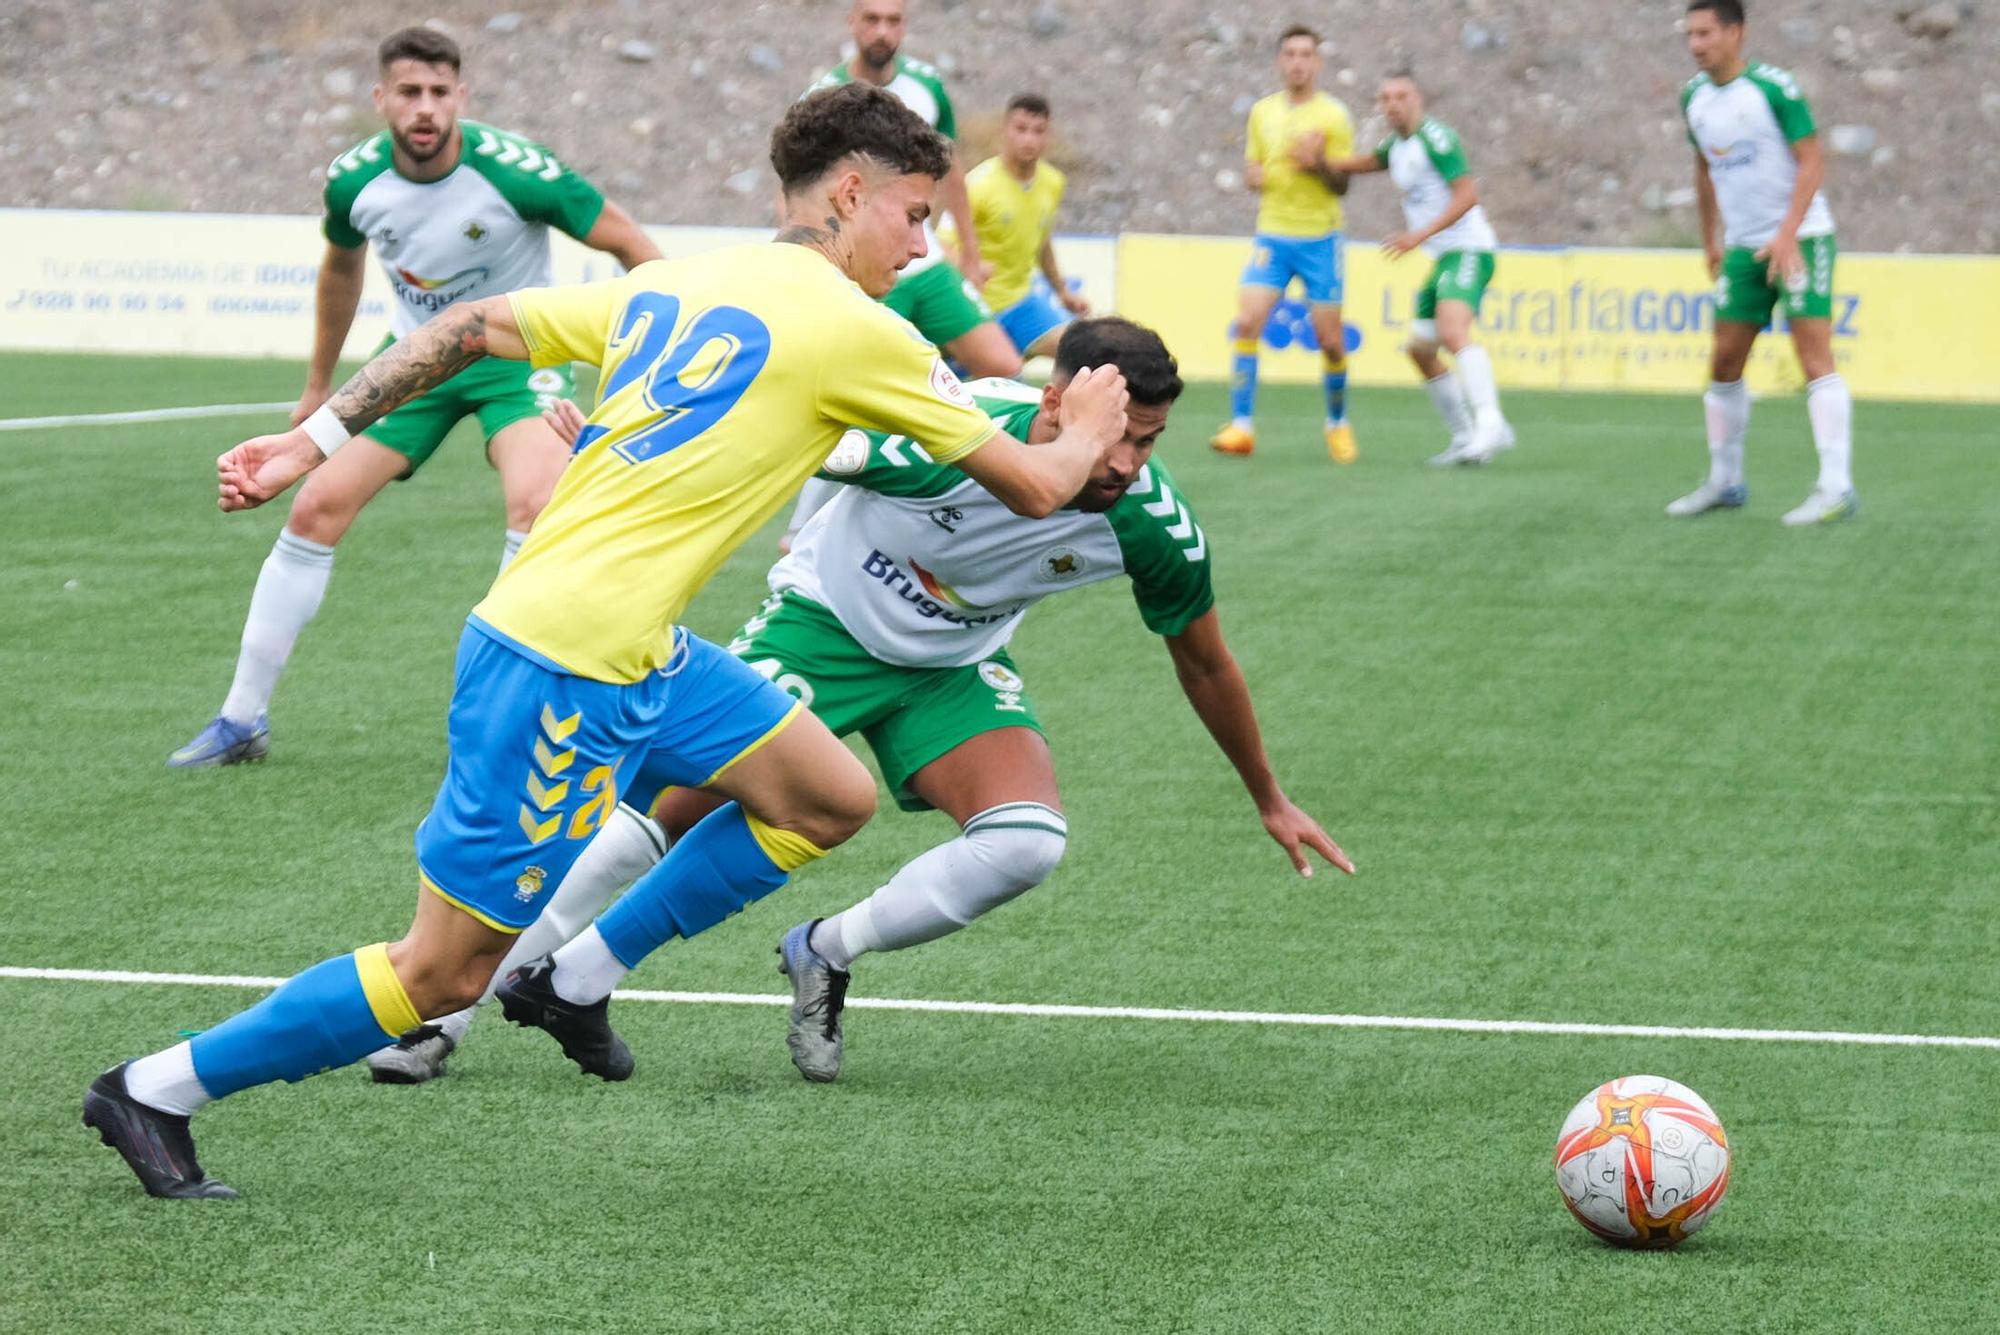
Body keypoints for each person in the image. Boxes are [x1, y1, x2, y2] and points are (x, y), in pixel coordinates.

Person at [82, 82, 1130, 1199]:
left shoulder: (672, 283)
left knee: (827, 796)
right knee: (440, 972)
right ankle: (157, 1088)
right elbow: (1033, 486)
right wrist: (1093, 430)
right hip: (559, 660)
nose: (923, 246)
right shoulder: (856, 329)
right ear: (853, 190)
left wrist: (315, 437)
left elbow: (468, 323)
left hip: (632, 644)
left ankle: (575, 976)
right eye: (915, 215)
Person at [365, 318, 1352, 1087]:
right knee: (660, 813)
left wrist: (1267, 795)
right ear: (1054, 408)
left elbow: (1205, 664)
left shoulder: (1148, 524)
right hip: (825, 625)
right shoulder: (945, 430)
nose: (1130, 463)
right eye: (1118, 439)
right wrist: (619, 448)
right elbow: (775, 434)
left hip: (947, 667)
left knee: (1026, 842)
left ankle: (814, 954)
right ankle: (443, 1014)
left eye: (1149, 441)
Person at [169, 26, 660, 767]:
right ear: (382, 99)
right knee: (312, 504)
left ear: (461, 97)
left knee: (536, 504)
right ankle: (241, 721)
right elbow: (341, 270)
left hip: (518, 358)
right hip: (412, 362)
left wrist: (635, 377)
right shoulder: (353, 182)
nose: (424, 108)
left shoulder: (520, 173)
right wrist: (316, 386)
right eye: (408, 93)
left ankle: (508, 721)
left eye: (438, 93)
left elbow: (636, 249)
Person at [1668, 0, 1856, 525]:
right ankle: (1725, 481)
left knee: (1814, 357)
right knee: (1724, 363)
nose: (1695, 44)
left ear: (1736, 33)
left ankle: (1836, 486)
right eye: (1690, 34)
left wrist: (1787, 234)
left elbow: (1812, 159)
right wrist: (1710, 239)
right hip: (1744, 248)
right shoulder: (1694, 97)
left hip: (1802, 240)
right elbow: (1704, 168)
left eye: (1705, 33)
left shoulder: (1774, 88)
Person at [808, 0, 1022, 379]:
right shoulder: (826, 96)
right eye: (872, 20)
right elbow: (799, 187)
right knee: (863, 383)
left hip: (926, 262)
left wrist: (970, 255)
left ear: (904, 26)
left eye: (893, 21)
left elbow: (950, 171)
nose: (882, 32)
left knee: (1004, 366)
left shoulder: (927, 86)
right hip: (864, 271)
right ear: (852, 23)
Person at [1326, 74, 1513, 467]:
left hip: (1469, 251)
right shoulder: (1398, 144)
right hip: (1444, 257)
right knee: (1420, 350)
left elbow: (1468, 194)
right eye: (1386, 97)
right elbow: (1367, 163)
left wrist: (1418, 235)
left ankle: (1491, 422)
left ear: (1418, 98)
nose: (1393, 104)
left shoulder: (1436, 138)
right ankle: (1464, 436)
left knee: (1453, 331)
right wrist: (1322, 162)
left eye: (1401, 96)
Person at [1209, 25, 1358, 464]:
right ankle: (1241, 427)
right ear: (1280, 61)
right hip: (1272, 233)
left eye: (1306, 54)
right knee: (1248, 322)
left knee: (1330, 341)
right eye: (1290, 53)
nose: (1297, 61)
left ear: (1318, 62)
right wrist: (1252, 177)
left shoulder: (1334, 115)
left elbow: (1343, 183)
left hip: (1320, 237)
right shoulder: (1262, 113)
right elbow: (1253, 168)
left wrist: (1320, 165)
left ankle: (1337, 424)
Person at [962, 93, 1090, 359]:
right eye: (1020, 129)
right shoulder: (977, 185)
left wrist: (1062, 291)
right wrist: (973, 265)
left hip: (1022, 303)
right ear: (1004, 131)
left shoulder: (1053, 182)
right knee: (993, 380)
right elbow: (944, 245)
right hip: (979, 310)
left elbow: (1042, 242)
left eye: (1038, 131)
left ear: (1047, 136)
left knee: (1081, 352)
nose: (1028, 139)